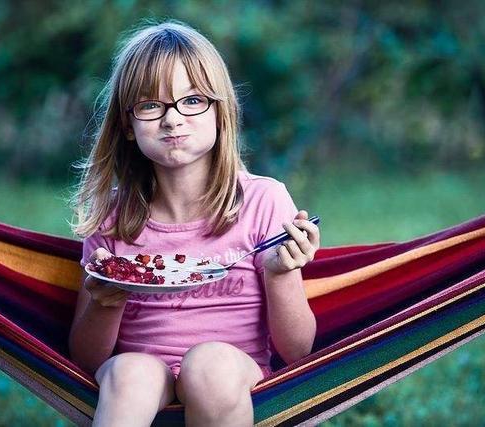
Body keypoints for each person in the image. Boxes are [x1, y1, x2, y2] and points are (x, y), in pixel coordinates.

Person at [68, 20, 319, 427]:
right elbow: (86, 358)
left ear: (221, 113)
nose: (172, 120)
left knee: (209, 365)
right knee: (130, 371)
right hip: (145, 378)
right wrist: (103, 302)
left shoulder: (263, 201)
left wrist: (280, 273)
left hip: (234, 373)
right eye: (150, 105)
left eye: (193, 100)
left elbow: (297, 350)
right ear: (127, 125)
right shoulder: (111, 218)